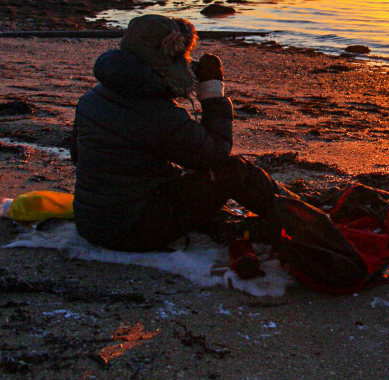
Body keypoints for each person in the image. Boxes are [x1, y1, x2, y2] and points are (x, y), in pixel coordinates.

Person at [70, 14, 291, 252]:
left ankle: (278, 209)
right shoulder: (154, 112)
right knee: (234, 170)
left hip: (91, 223)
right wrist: (212, 94)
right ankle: (294, 216)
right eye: (183, 58)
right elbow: (214, 154)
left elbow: (77, 155)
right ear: (168, 56)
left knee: (187, 177)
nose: (188, 65)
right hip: (133, 230)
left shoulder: (93, 97)